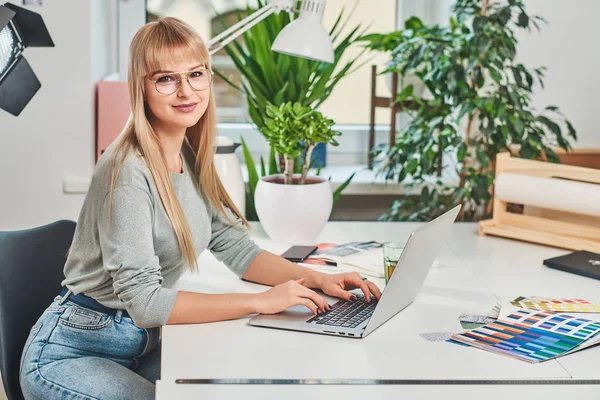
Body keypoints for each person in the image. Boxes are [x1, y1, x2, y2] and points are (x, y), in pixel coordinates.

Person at [19, 17, 381, 400]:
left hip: (141, 344)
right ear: (141, 87)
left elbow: (236, 248)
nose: (185, 91)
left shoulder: (187, 156)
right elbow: (145, 303)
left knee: (240, 377)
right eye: (165, 78)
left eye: (195, 74)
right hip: (73, 352)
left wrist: (315, 279)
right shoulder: (126, 171)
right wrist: (259, 302)